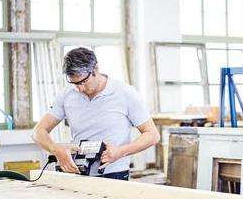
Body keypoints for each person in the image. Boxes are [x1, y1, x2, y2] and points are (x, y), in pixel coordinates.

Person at [32, 47, 160, 181]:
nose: (80, 88)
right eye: (74, 83)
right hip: (78, 172)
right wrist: (55, 149)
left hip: (114, 173)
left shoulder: (125, 93)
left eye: (83, 81)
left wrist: (120, 152)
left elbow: (152, 135)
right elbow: (38, 131)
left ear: (95, 69)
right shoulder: (66, 95)